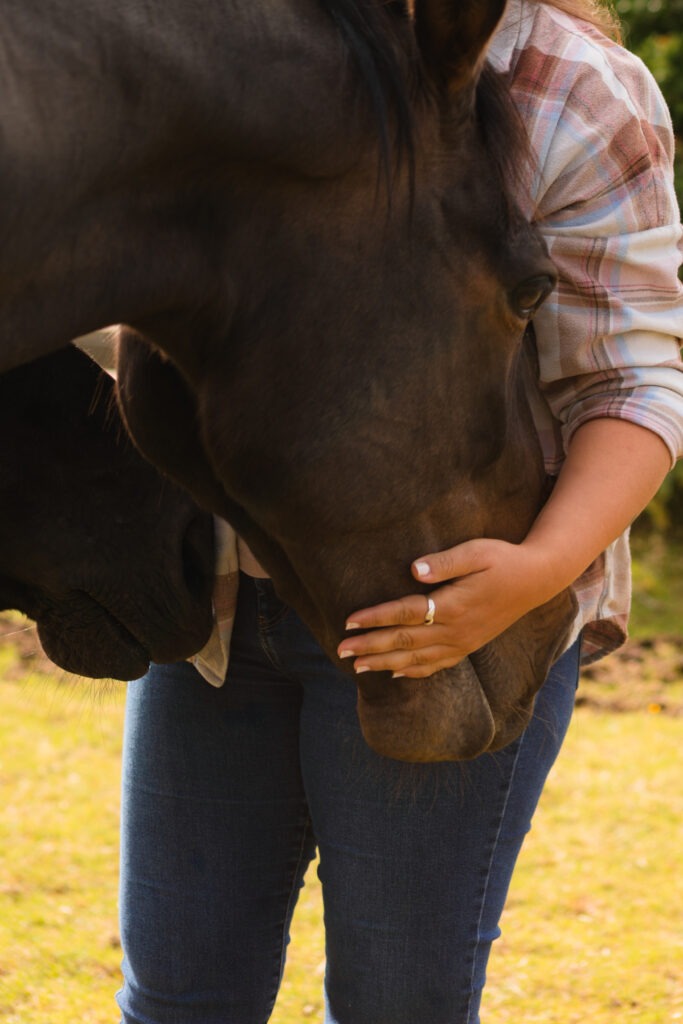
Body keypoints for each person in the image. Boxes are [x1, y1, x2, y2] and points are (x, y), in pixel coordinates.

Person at [116, 2, 683, 1022]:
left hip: (455, 627)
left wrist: (528, 573)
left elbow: (633, 384)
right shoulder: (237, 47)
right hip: (223, 610)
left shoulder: (575, 97)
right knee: (178, 999)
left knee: (395, 1007)